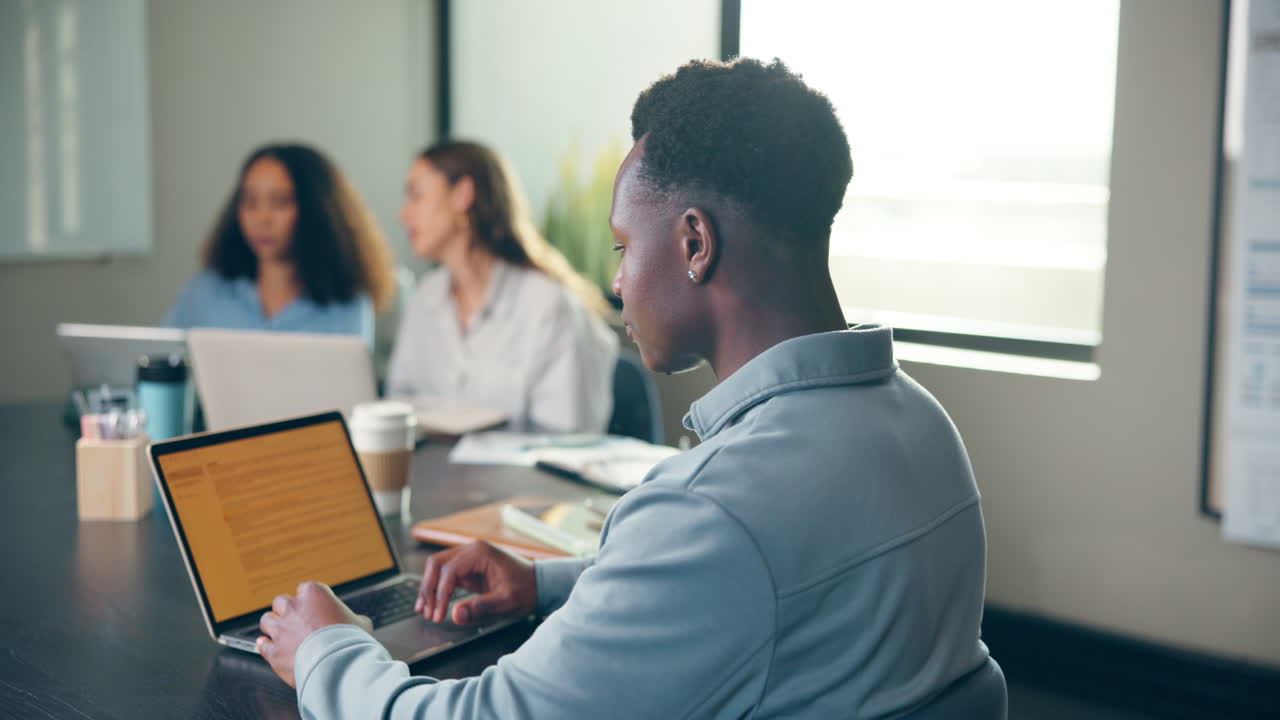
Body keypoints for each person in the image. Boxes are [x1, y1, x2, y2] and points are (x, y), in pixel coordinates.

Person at [257, 59, 1007, 718]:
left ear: (694, 243)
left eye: (622, 246)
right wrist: (548, 585)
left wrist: (326, 650)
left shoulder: (713, 508)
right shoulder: (922, 425)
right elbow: (763, 584)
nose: (615, 282)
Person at [384, 140, 618, 433]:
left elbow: (567, 439)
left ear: (462, 195)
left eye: (416, 196)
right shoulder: (426, 296)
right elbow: (398, 403)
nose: (403, 214)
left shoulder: (548, 305)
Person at [163, 143, 397, 346]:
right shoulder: (206, 292)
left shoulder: (348, 306)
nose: (262, 219)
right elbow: (152, 356)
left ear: (316, 211)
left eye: (279, 202)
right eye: (250, 201)